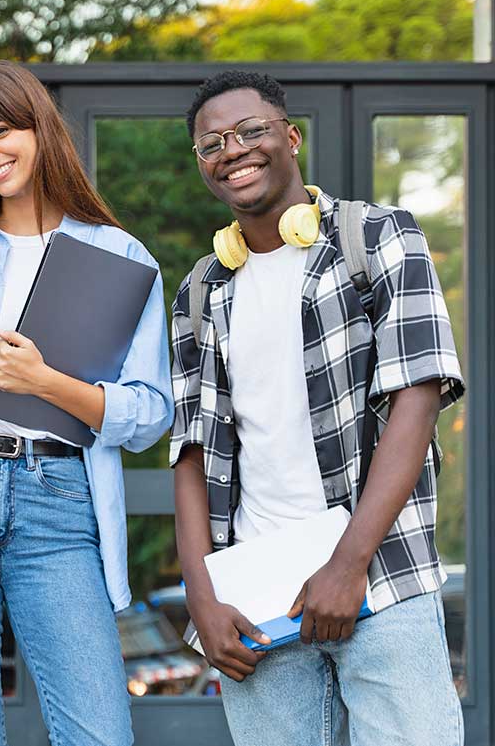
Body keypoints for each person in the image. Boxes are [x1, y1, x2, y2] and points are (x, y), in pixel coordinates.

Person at [170, 70, 465, 746]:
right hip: (256, 599)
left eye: (252, 130)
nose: (233, 149)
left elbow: (416, 404)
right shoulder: (199, 291)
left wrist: (346, 563)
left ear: (291, 137)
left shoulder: (379, 237)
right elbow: (190, 454)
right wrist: (203, 598)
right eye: (212, 142)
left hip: (381, 577)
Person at [0, 60, 173, 746]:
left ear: (38, 126)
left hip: (58, 504)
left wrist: (47, 381)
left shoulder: (117, 255)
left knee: (99, 734)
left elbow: (149, 415)